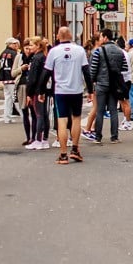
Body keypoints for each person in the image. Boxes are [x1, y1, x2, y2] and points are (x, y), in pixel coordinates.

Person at [41, 27, 89, 163]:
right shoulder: (79, 50)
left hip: (60, 91)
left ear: (58, 36)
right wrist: (90, 90)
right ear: (71, 36)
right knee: (76, 119)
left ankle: (63, 154)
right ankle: (75, 149)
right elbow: (86, 71)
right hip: (76, 90)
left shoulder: (53, 51)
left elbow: (47, 72)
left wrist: (41, 91)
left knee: (62, 120)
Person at [88, 28, 127, 144]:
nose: (100, 39)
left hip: (101, 84)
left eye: (100, 37)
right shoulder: (120, 51)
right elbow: (124, 68)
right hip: (114, 85)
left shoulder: (98, 51)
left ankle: (98, 136)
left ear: (105, 37)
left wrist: (93, 81)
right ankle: (114, 136)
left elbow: (93, 69)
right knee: (113, 110)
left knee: (100, 110)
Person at [23, 37, 49, 149]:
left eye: (32, 45)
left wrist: (29, 93)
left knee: (39, 115)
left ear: (38, 46)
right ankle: (44, 139)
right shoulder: (43, 57)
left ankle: (39, 140)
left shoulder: (36, 58)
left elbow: (32, 78)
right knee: (43, 114)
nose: (30, 47)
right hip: (42, 89)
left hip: (37, 90)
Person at [0, 38, 20, 123]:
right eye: (15, 44)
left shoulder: (2, 53)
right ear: (10, 44)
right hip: (12, 77)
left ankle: (7, 117)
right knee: (16, 98)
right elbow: (16, 65)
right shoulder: (14, 54)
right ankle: (23, 115)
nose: (16, 45)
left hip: (4, 77)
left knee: (8, 98)